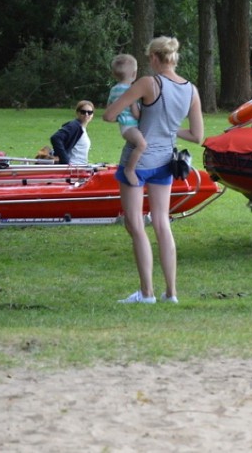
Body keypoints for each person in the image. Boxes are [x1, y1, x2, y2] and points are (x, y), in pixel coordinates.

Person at [103, 36, 204, 304]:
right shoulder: (191, 89)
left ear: (154, 58)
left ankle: (146, 293)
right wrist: (170, 129)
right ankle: (171, 292)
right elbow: (197, 135)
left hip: (137, 162)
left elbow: (111, 114)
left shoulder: (148, 82)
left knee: (135, 223)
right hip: (165, 161)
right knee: (162, 224)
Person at [107, 54, 146, 187]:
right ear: (134, 74)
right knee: (142, 145)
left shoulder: (114, 90)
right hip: (131, 126)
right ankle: (129, 169)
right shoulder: (131, 90)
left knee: (138, 145)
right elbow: (135, 114)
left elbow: (110, 110)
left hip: (124, 126)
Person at [50, 100, 95, 165]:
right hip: (72, 168)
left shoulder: (82, 128)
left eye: (89, 112)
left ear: (92, 114)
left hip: (80, 166)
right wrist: (64, 159)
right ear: (77, 113)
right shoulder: (74, 126)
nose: (86, 114)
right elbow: (55, 138)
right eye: (83, 112)